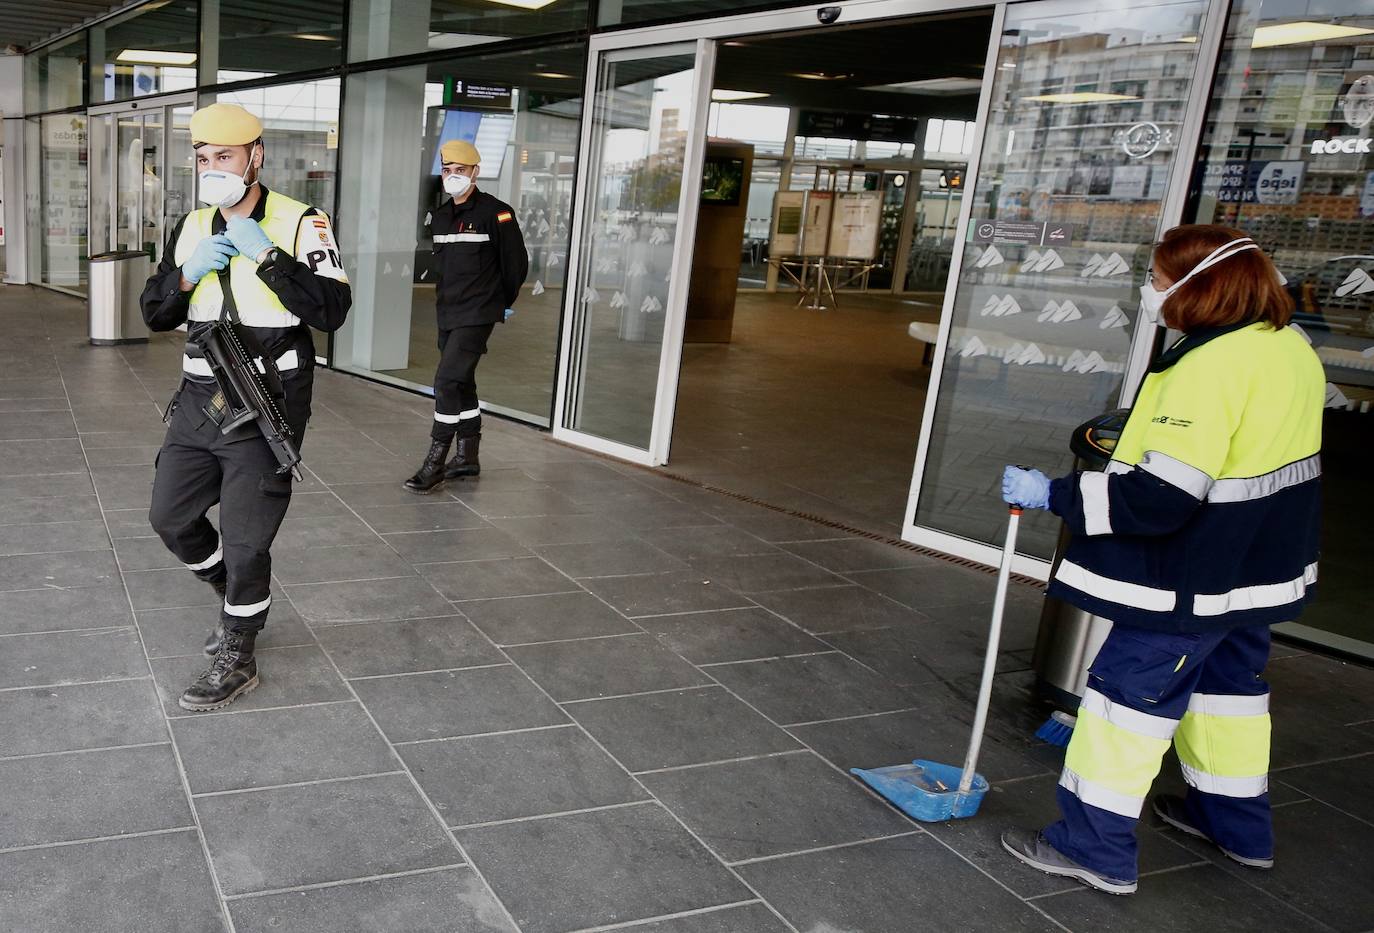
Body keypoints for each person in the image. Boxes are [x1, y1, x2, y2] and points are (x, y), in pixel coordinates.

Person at [999, 224, 1324, 894]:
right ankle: (1236, 828)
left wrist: (1054, 493)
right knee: (1228, 697)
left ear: (1196, 286)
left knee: (1126, 709)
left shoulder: (1210, 366)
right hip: (1254, 574)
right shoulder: (1289, 348)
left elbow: (1159, 498)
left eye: (1156, 278)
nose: (1151, 290)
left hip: (1191, 582)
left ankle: (1093, 850)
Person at [141, 103, 351, 711]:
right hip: (199, 400)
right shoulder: (192, 224)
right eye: (204, 159)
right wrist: (183, 277)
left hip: (266, 401)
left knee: (246, 537)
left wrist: (266, 255)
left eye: (224, 157)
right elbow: (154, 314)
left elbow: (330, 310)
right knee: (170, 518)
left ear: (256, 156)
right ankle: (230, 593)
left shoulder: (301, 221)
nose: (213, 169)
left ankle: (239, 648)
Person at [404, 138, 529, 493]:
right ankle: (468, 456)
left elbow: (515, 263)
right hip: (448, 312)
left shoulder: (496, 212)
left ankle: (435, 461)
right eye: (447, 170)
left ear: (475, 172)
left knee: (445, 383)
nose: (453, 176)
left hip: (478, 312)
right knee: (461, 382)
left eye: (460, 170)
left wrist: (502, 302)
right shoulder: (442, 216)